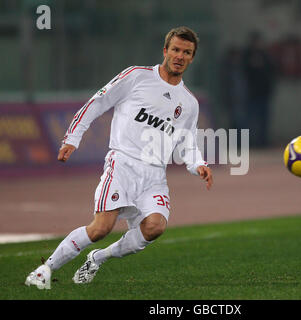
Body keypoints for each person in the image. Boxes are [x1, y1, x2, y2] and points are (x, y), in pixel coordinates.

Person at [25, 26, 213, 289]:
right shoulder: (137, 76)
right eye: (176, 50)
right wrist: (72, 138)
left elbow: (188, 142)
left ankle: (98, 258)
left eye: (187, 52)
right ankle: (44, 270)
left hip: (155, 175)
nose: (180, 56)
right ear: (165, 51)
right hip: (122, 164)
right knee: (101, 228)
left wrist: (198, 165)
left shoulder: (189, 103)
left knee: (154, 227)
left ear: (192, 58)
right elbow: (98, 102)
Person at [243, 31, 276, 148]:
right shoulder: (247, 55)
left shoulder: (266, 56)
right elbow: (245, 72)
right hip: (252, 93)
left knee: (264, 119)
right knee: (251, 119)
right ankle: (251, 142)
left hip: (264, 92)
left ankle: (262, 141)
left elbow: (272, 71)